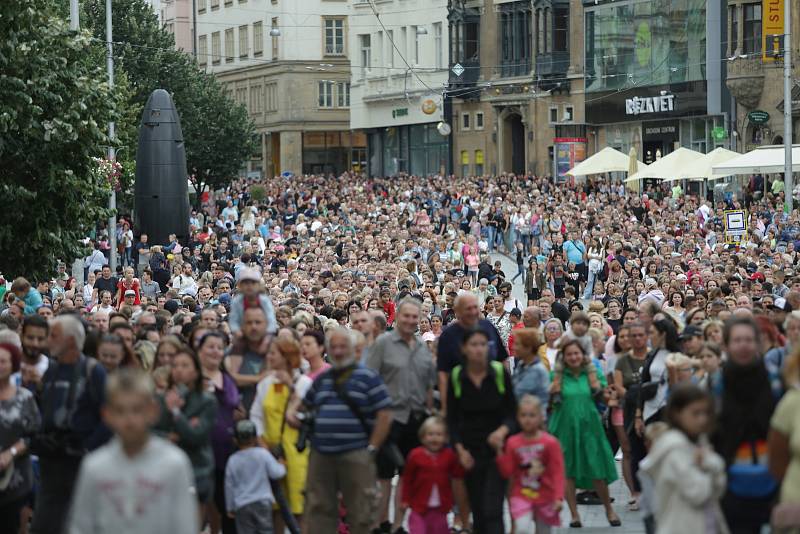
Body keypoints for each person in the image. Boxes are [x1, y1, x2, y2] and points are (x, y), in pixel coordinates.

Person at [67, 369, 199, 534]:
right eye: (120, 410)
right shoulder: (94, 467)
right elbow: (80, 526)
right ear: (107, 414)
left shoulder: (174, 463)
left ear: (152, 411)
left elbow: (184, 525)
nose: (129, 419)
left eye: (137, 409)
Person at [288, 327, 392, 534]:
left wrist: (372, 448)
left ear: (354, 350)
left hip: (356, 453)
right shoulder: (322, 380)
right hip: (321, 455)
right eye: (333, 347)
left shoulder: (368, 377)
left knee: (361, 511)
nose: (338, 351)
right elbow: (301, 408)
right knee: (319, 509)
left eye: (343, 346)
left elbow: (385, 414)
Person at [30, 314, 108, 534]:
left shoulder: (93, 371)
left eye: (53, 335)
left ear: (71, 340)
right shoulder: (52, 370)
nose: (48, 340)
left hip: (81, 464)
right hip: (51, 464)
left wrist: (87, 448)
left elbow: (108, 417)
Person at [367, 298, 436, 534]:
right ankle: (379, 524)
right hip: (388, 419)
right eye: (406, 316)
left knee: (407, 476)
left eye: (414, 317)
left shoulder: (421, 348)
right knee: (383, 476)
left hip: (415, 421)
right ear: (397, 316)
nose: (410, 320)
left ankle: (398, 526)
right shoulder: (383, 344)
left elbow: (429, 385)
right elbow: (369, 380)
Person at [446, 328, 517, 534]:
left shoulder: (499, 372)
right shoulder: (457, 376)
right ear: (464, 349)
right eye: (473, 345)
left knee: (492, 509)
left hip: (497, 451)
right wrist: (460, 450)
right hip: (469, 451)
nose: (478, 349)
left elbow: (513, 413)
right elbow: (451, 419)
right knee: (477, 509)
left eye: (482, 345)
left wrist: (502, 431)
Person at [712, 316, 778, 533]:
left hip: (772, 481)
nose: (743, 345)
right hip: (730, 484)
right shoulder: (716, 384)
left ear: (758, 343)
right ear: (727, 345)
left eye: (748, 340)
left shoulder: (774, 380)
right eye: (737, 340)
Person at [547, 335, 620, 528]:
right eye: (569, 354)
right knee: (567, 471)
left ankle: (609, 510)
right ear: (563, 356)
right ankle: (574, 515)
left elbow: (606, 398)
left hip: (589, 427)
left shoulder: (592, 374)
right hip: (564, 428)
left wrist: (610, 395)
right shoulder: (557, 376)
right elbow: (548, 403)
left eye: (576, 353)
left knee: (597, 470)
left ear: (583, 355)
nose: (573, 357)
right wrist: (550, 392)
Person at [640, 384, 729, 534]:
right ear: (676, 414)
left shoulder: (698, 442)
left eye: (706, 413)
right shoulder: (674, 449)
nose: (702, 419)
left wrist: (710, 464)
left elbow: (719, 488)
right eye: (695, 413)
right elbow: (697, 493)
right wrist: (709, 463)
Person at [249, 337, 312, 529]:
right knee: (275, 506)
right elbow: (256, 415)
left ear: (286, 356)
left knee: (298, 506)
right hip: (270, 451)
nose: (269, 356)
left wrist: (291, 388)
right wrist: (261, 442)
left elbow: (307, 415)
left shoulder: (304, 383)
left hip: (297, 453)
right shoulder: (265, 384)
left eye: (273, 353)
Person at [153, 344, 218, 512]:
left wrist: (176, 412)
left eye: (185, 365)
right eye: (175, 366)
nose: (179, 370)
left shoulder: (207, 401)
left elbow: (196, 436)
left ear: (196, 371)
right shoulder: (161, 399)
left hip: (197, 471)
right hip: (165, 472)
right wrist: (168, 437)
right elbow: (149, 432)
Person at [496, 395, 565, 534]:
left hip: (546, 495)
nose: (527, 419)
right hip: (521, 494)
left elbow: (557, 471)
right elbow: (507, 471)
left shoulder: (550, 443)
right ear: (517, 417)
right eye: (523, 415)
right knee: (521, 528)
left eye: (532, 415)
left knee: (544, 530)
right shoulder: (513, 442)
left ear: (541, 417)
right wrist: (499, 451)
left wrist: (558, 497)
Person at [437, 293, 508, 415]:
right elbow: (443, 373)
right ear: (457, 311)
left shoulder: (488, 327)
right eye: (468, 308)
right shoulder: (448, 335)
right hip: (462, 400)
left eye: (475, 307)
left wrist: (505, 391)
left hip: (492, 395)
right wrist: (445, 407)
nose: (473, 312)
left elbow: (503, 360)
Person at [400, 416, 470, 534]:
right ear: (423, 437)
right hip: (419, 507)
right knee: (418, 530)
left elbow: (457, 474)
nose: (434, 438)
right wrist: (405, 499)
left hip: (441, 508)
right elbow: (407, 479)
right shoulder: (415, 455)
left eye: (439, 435)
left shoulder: (449, 455)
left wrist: (465, 464)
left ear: (445, 438)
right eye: (430, 434)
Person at [0, 343, 40, 532]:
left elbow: (33, 435)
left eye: (3, 361)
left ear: (13, 364)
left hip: (15, 479)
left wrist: (12, 452)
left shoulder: (24, 398)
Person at [225, 420, 287, 534]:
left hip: (242, 504)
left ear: (235, 440)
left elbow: (229, 486)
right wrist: (282, 465)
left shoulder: (232, 460)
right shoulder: (262, 454)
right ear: (254, 438)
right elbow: (276, 473)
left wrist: (230, 507)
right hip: (262, 501)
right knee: (266, 530)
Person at [511, 328, 550, 406]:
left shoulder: (539, 371)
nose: (513, 347)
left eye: (517, 344)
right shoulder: (521, 364)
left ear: (528, 347)